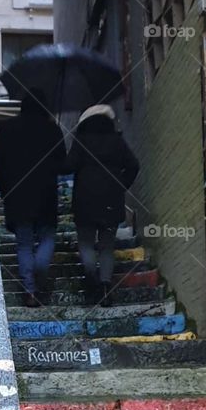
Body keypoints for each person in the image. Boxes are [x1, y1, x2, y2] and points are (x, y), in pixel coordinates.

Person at [0, 92, 67, 306]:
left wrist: (6, 189)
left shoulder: (7, 129)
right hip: (46, 193)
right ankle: (40, 271)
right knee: (47, 236)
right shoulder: (52, 129)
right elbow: (63, 163)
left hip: (17, 195)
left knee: (24, 243)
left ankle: (30, 291)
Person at [69, 104, 139, 305]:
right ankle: (106, 287)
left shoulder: (81, 141)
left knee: (86, 242)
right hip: (111, 201)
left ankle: (92, 280)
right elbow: (134, 165)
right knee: (107, 246)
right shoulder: (117, 141)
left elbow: (68, 165)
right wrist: (120, 186)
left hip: (84, 201)